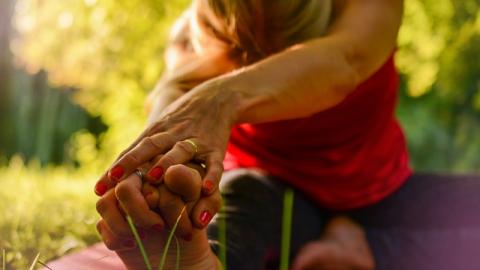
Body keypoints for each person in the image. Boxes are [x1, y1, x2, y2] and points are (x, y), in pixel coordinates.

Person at [87, 0, 480, 270]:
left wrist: (220, 98)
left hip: (381, 190)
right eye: (243, 54)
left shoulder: (369, 9)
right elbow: (170, 107)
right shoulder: (194, 36)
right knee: (238, 210)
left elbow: (344, 62)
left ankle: (365, 247)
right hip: (270, 186)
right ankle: (195, 258)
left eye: (287, 52)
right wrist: (153, 182)